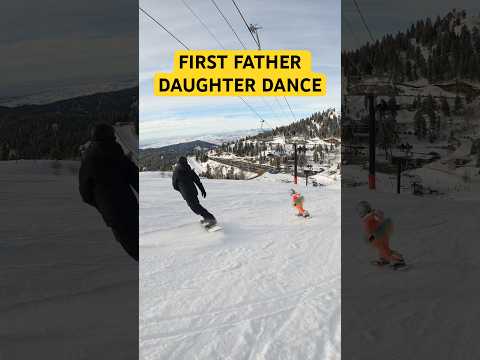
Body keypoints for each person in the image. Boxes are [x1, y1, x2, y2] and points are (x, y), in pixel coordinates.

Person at [79, 123, 139, 261]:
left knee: (133, 249)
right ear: (111, 137)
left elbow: (85, 195)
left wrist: (101, 204)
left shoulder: (88, 160)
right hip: (129, 208)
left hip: (112, 215)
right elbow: (135, 179)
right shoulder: (118, 155)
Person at [356, 200, 405, 269]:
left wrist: (377, 216)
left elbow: (379, 218)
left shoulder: (371, 216)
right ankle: (387, 258)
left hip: (379, 236)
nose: (360, 214)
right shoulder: (368, 217)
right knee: (384, 249)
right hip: (379, 236)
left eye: (360, 211)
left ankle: (396, 261)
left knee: (384, 250)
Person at [172, 156, 216, 226]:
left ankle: (210, 218)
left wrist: (181, 190)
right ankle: (208, 217)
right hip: (193, 192)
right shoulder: (188, 170)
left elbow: (174, 186)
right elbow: (197, 181)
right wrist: (202, 190)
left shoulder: (176, 172)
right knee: (197, 207)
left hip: (187, 194)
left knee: (196, 208)